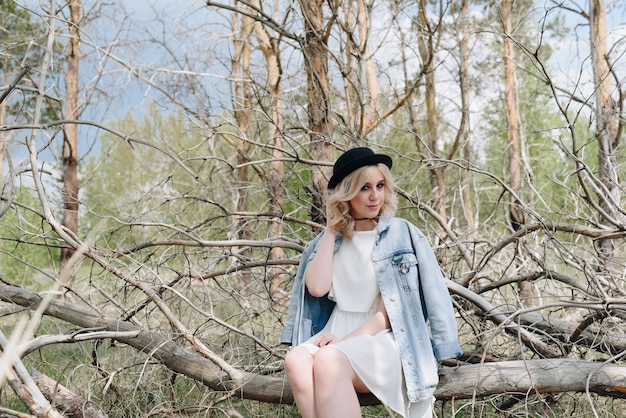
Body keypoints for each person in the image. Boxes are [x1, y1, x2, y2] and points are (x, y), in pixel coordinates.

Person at [281, 147, 462, 418]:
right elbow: (317, 288)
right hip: (335, 330)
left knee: (329, 360)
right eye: (365, 187)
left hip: (384, 339)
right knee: (295, 360)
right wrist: (331, 228)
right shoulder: (326, 242)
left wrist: (341, 342)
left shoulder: (401, 235)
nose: (375, 195)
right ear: (347, 192)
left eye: (379, 185)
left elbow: (386, 317)